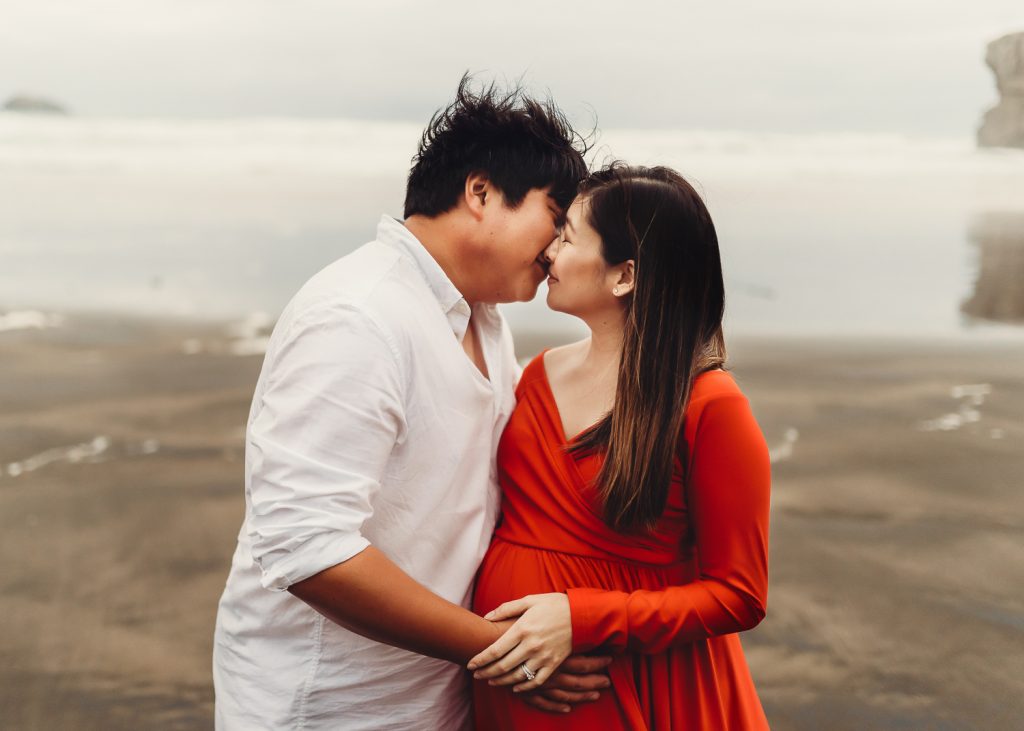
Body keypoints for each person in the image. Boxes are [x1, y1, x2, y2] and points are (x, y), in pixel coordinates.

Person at [212, 77, 612, 730]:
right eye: (556, 212)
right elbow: (308, 548)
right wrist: (502, 650)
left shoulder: (481, 315)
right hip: (330, 706)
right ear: (480, 192)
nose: (560, 244)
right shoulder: (358, 316)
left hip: (434, 696)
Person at [468, 163, 772, 729]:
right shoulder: (536, 375)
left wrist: (580, 618)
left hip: (627, 679)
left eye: (568, 236)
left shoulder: (711, 407)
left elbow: (740, 594)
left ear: (624, 276)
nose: (548, 253)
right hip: (514, 682)